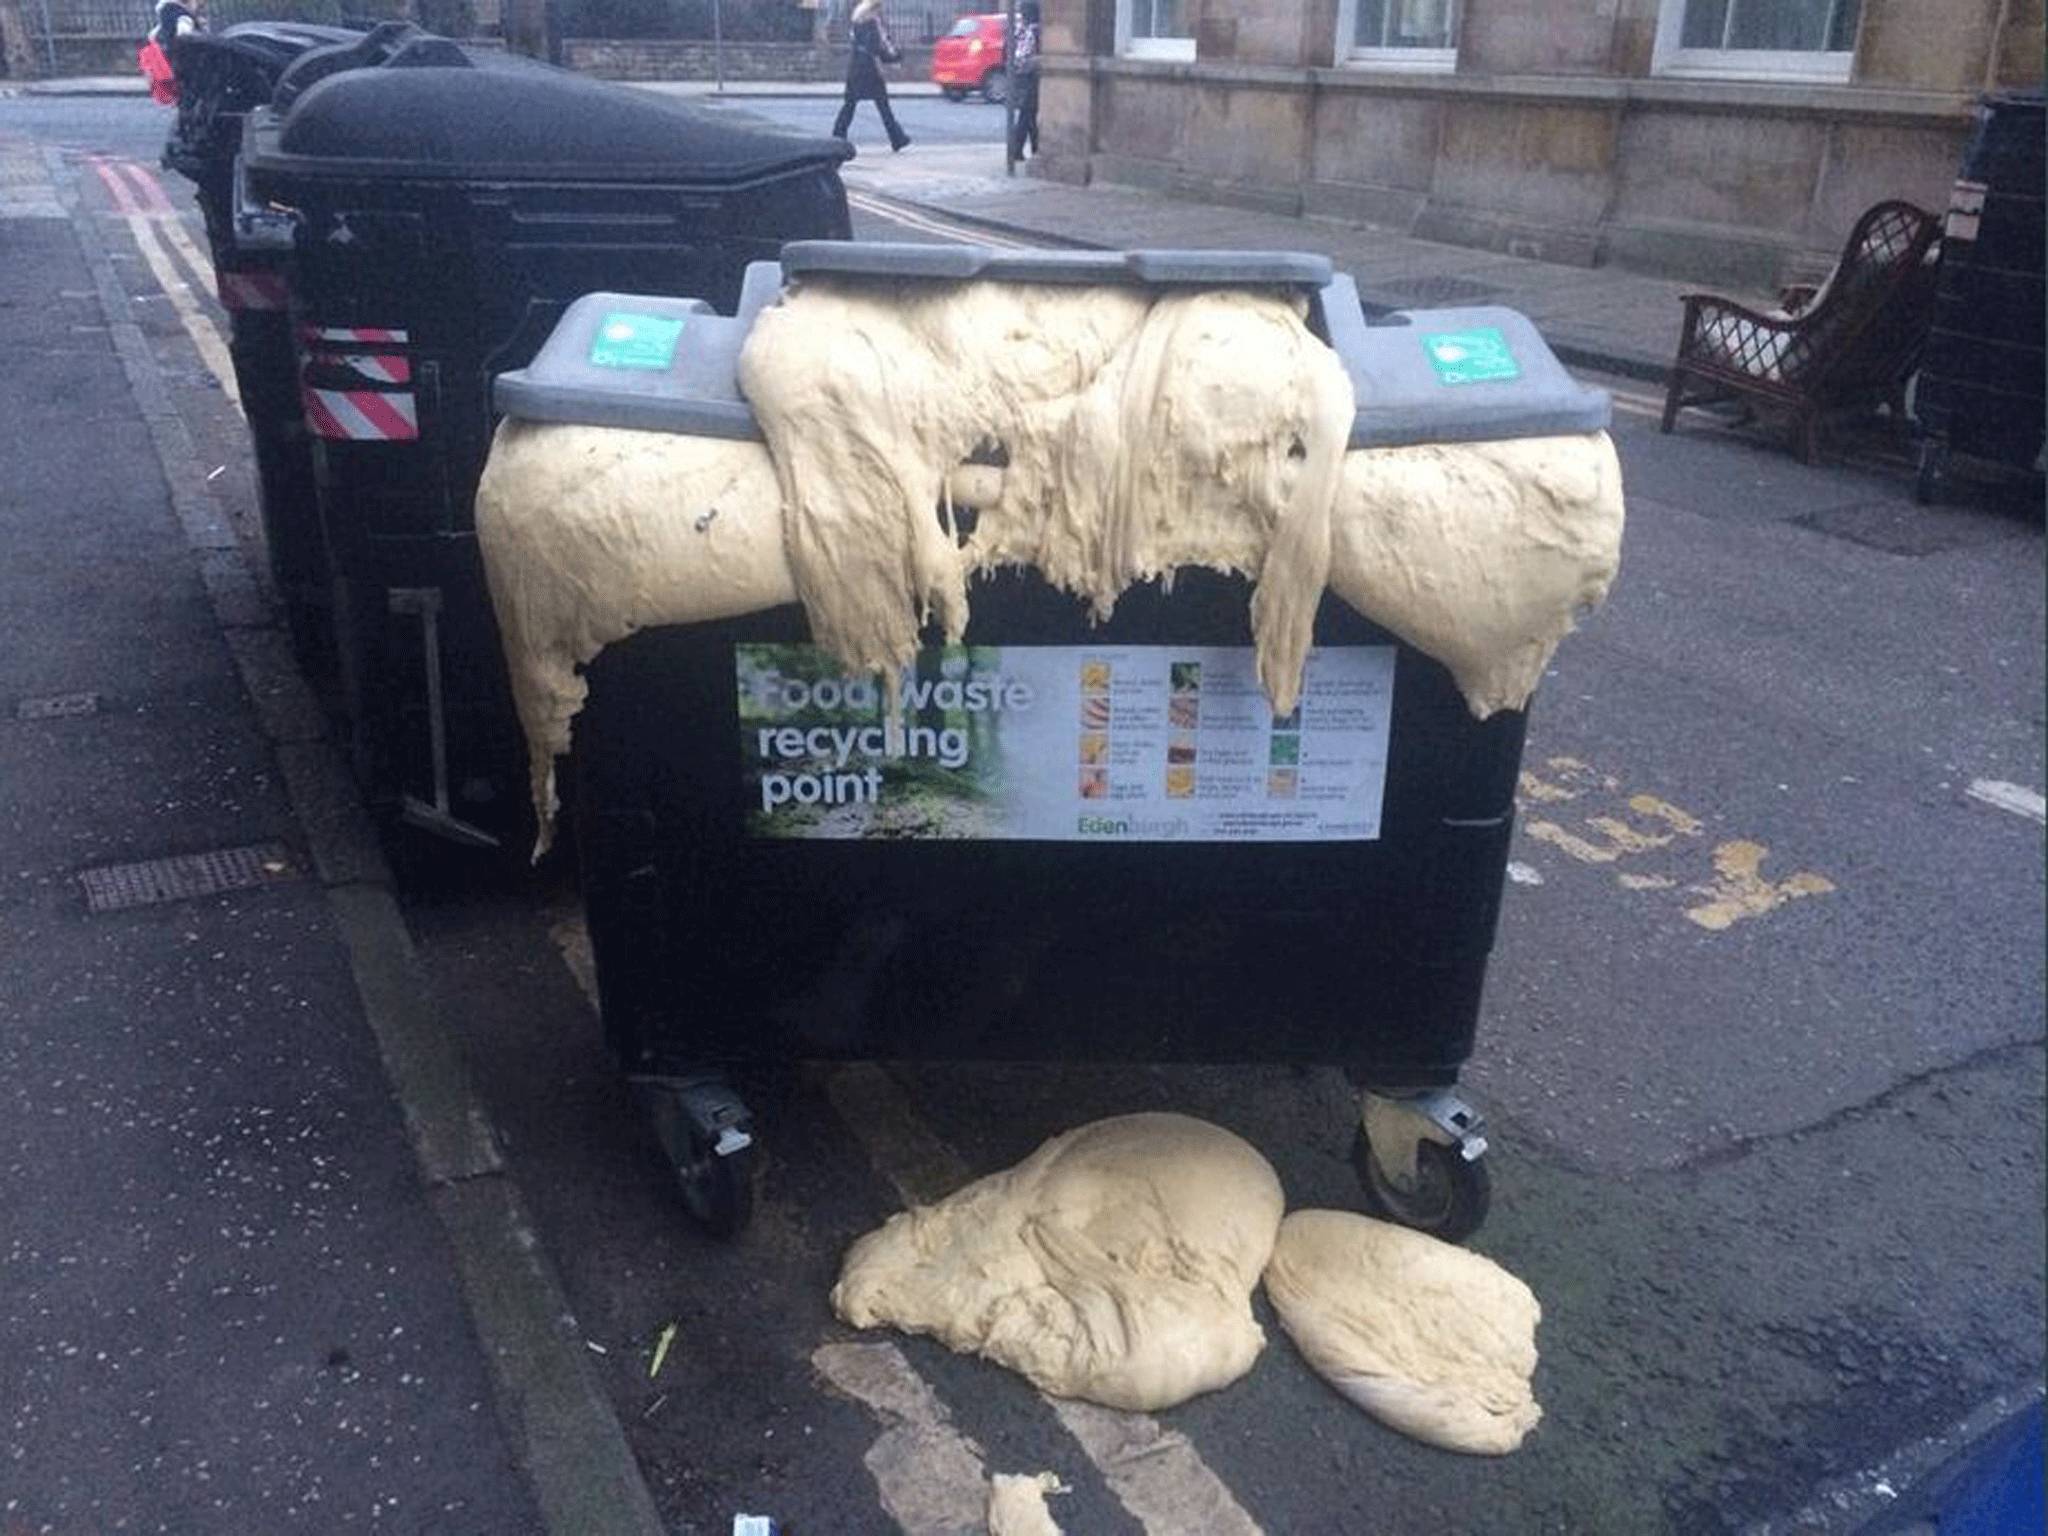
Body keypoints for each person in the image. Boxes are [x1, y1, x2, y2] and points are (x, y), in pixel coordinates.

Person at [832, 0, 911, 153]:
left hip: (855, 69)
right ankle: (897, 138)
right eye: (878, 9)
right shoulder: (872, 25)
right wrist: (896, 57)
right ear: (872, 10)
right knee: (883, 107)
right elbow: (877, 50)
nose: (880, 13)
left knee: (849, 105)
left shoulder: (856, 24)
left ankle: (838, 135)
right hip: (870, 72)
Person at [1007, 0, 1040, 161]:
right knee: (1028, 114)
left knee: (1029, 114)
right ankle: (1017, 149)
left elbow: (1007, 50)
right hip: (1032, 76)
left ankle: (1035, 149)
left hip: (1017, 75)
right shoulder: (1037, 31)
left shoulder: (1018, 30)